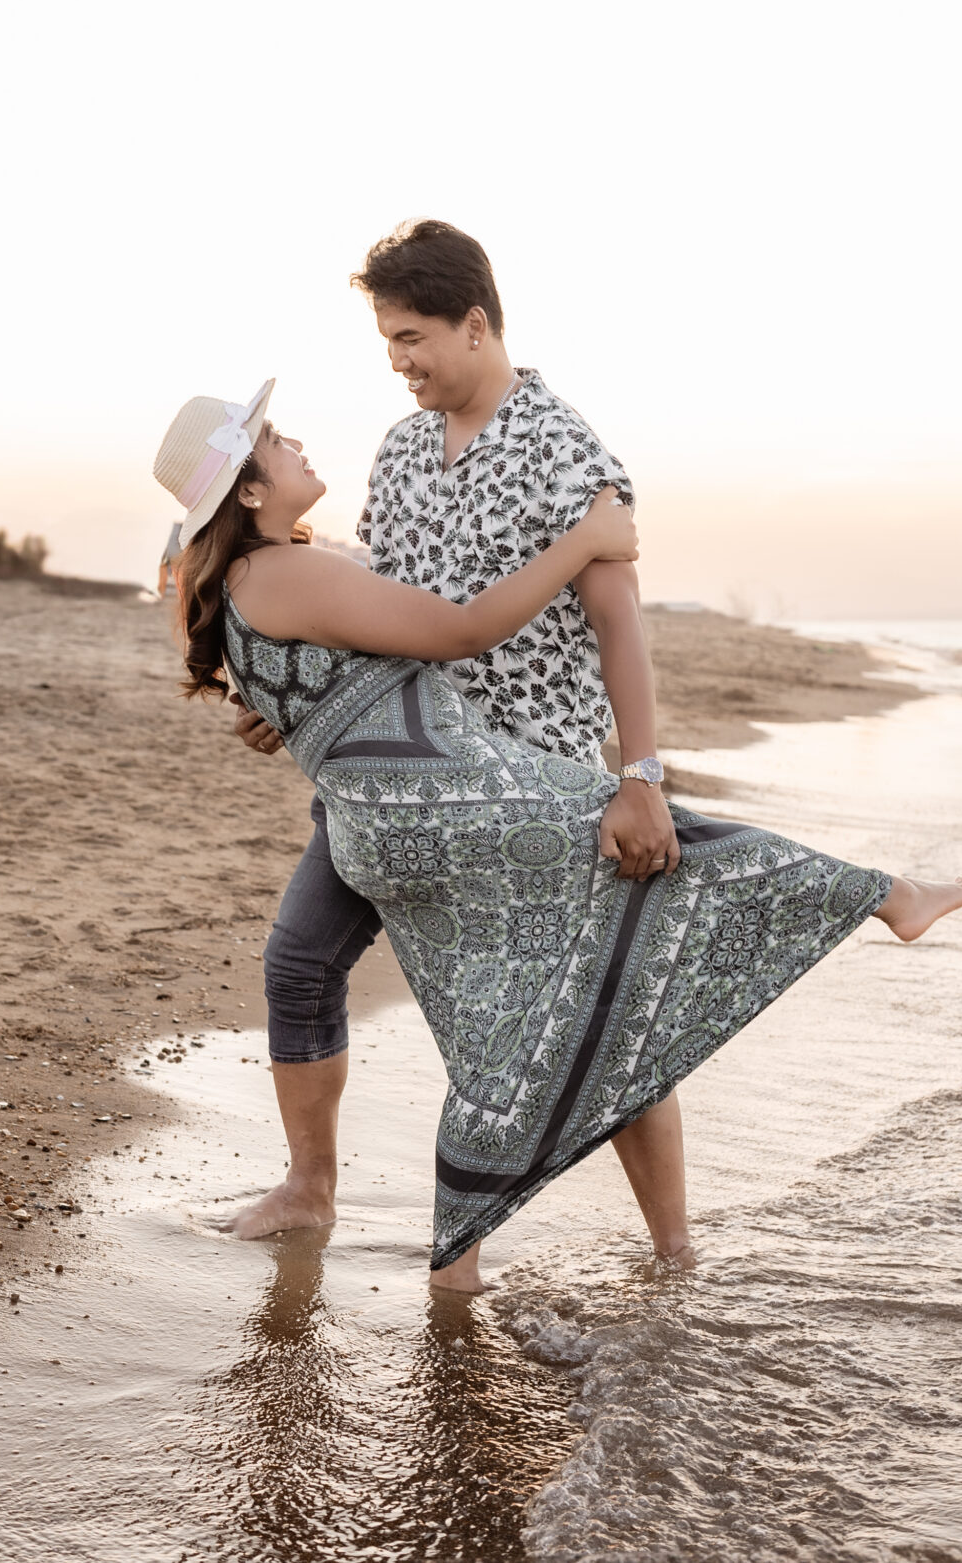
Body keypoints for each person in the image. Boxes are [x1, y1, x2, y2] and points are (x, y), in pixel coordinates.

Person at [152, 390, 962, 1290]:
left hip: (380, 831)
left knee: (487, 1037)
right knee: (673, 858)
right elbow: (464, 631)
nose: (297, 440)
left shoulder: (246, 589)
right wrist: (582, 544)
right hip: (455, 801)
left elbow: (319, 682)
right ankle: (888, 898)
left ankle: (457, 1269)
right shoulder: (290, 573)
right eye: (273, 440)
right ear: (246, 493)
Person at [222, 221, 695, 1265]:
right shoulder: (397, 450)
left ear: (474, 325)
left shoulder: (565, 449)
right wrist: (294, 701)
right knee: (301, 958)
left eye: (410, 338)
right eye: (387, 342)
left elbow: (620, 625)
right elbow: (377, 606)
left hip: (538, 780)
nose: (397, 362)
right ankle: (309, 1186)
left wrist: (641, 776)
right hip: (398, 775)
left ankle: (672, 1251)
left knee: (598, 1021)